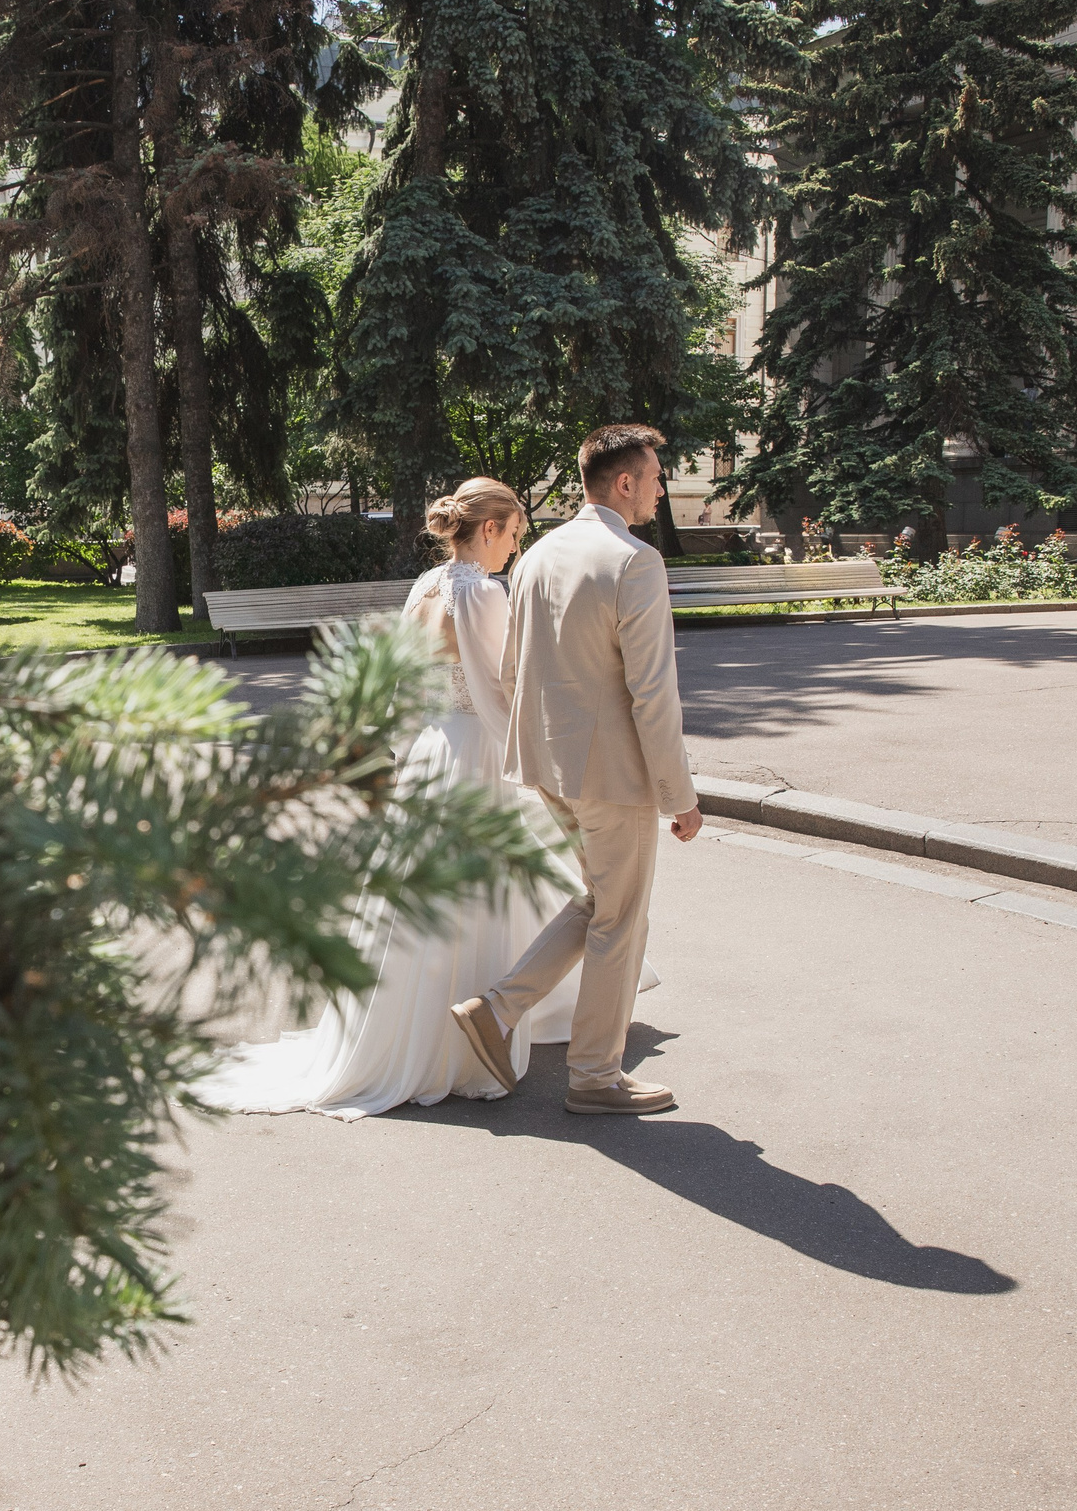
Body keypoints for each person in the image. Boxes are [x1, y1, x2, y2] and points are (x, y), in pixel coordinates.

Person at [198, 478, 658, 1120]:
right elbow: (504, 689)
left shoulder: (427, 586)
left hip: (432, 747)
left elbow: (404, 683)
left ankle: (429, 1028)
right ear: (491, 528)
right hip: (474, 750)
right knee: (486, 889)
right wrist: (530, 761)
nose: (514, 551)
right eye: (514, 535)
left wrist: (409, 747)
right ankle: (474, 1032)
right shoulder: (484, 592)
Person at [449, 424, 701, 1116]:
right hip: (612, 774)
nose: (659, 487)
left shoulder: (538, 556)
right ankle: (593, 1074)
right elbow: (652, 691)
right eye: (654, 475)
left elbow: (508, 670)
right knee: (622, 918)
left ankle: (496, 1010)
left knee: (600, 902)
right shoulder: (635, 560)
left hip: (547, 765)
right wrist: (681, 794)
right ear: (623, 482)